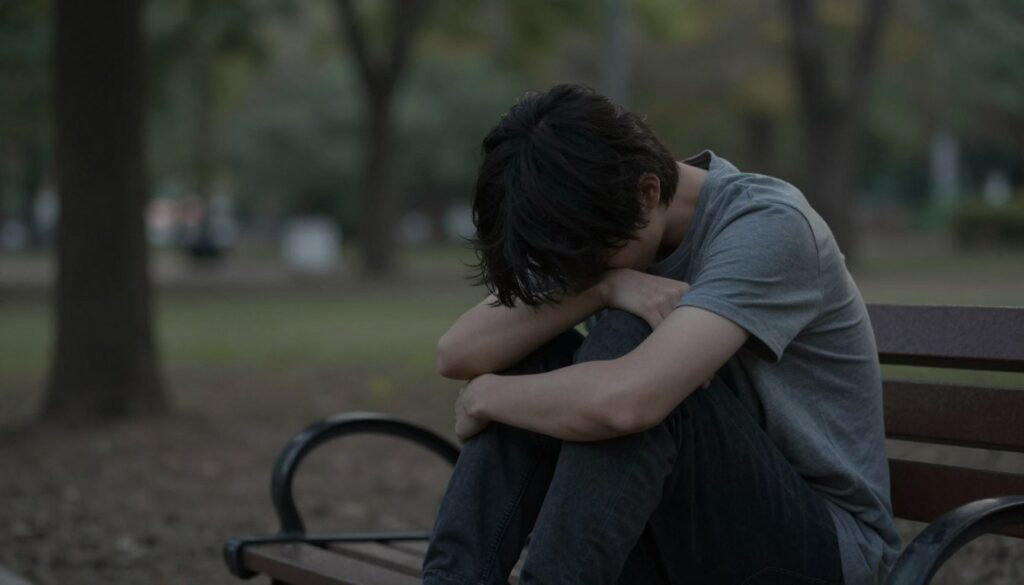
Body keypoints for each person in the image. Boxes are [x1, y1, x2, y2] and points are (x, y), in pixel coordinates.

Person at [421, 84, 901, 585]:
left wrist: (487, 396)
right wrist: (604, 285)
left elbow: (632, 402)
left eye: (591, 264)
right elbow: (457, 351)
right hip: (675, 523)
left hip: (818, 553)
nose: (575, 272)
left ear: (648, 192)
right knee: (531, 352)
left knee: (630, 345)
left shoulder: (769, 226)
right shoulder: (603, 228)